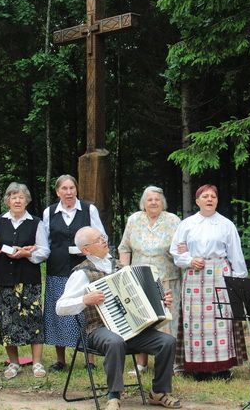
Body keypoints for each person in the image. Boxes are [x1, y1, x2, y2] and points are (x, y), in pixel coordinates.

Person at [56, 226, 181, 410]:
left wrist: (162, 301)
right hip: (98, 329)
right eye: (98, 240)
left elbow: (141, 300)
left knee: (167, 341)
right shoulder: (81, 274)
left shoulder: (121, 268)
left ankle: (159, 392)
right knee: (115, 342)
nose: (104, 241)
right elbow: (60, 307)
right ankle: (113, 395)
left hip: (132, 328)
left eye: (103, 237)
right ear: (86, 250)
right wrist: (85, 299)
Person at [169, 184, 248, 379]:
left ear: (217, 200)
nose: (209, 199)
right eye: (205, 196)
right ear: (197, 201)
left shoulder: (226, 224)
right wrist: (189, 260)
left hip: (219, 274)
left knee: (221, 320)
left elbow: (235, 254)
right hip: (195, 278)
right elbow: (176, 251)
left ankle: (221, 368)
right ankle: (198, 368)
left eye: (213, 196)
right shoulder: (186, 224)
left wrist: (238, 280)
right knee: (194, 322)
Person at [35, 174, 107, 371]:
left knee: (87, 311)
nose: (68, 192)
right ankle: (61, 359)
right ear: (57, 192)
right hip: (57, 268)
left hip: (85, 268)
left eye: (72, 188)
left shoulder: (88, 209)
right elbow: (45, 240)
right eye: (64, 189)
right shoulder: (49, 212)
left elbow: (101, 235)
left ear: (76, 190)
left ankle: (90, 360)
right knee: (58, 311)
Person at [118, 186, 181, 374]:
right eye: (149, 199)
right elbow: (124, 247)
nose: (153, 202)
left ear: (163, 203)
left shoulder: (173, 221)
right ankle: (141, 363)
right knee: (142, 320)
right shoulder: (134, 219)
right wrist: (125, 272)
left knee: (168, 321)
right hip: (139, 279)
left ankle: (171, 364)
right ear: (143, 203)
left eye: (157, 199)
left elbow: (182, 249)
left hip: (167, 279)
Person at [0, 182, 49, 379]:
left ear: (27, 200)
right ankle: (14, 363)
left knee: (34, 320)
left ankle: (38, 363)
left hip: (29, 278)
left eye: (21, 197)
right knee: (7, 321)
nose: (17, 200)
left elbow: (44, 251)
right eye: (13, 197)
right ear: (7, 200)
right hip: (3, 279)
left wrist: (26, 254)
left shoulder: (36, 222)